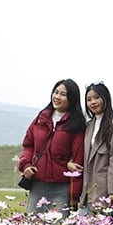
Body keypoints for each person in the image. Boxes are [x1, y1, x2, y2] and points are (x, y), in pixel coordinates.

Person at [18, 79, 86, 215]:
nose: (57, 97)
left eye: (63, 94)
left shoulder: (77, 124)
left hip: (62, 188)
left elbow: (78, 160)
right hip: (37, 185)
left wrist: (74, 195)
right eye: (56, 92)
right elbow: (28, 146)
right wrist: (25, 165)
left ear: (71, 98)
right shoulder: (41, 119)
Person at [67, 81, 113, 212]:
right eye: (89, 99)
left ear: (105, 98)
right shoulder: (89, 125)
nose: (93, 102)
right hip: (88, 191)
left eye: (96, 97)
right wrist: (70, 163)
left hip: (107, 194)